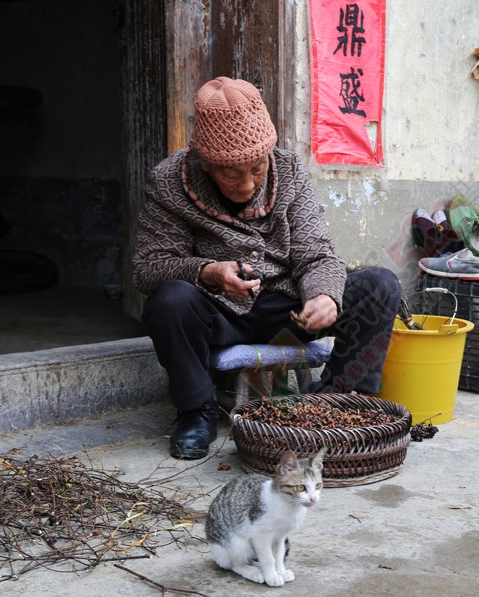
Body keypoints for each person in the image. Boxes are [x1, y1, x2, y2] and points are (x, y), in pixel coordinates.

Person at [133, 77, 400, 459]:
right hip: (220, 313)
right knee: (170, 299)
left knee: (380, 285)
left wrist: (324, 295)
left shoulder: (289, 171)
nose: (246, 185)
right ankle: (197, 410)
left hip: (288, 310)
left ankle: (337, 403)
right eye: (231, 174)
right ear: (206, 165)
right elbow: (148, 268)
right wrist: (208, 271)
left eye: (257, 169)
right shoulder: (169, 182)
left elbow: (318, 253)